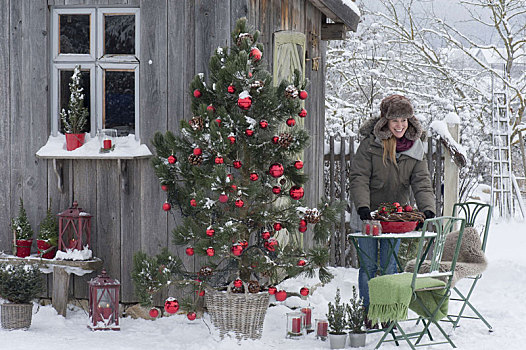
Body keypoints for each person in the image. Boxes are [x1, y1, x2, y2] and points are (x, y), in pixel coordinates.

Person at [349, 94, 436, 326]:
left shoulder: (415, 148)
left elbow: (422, 182)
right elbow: (359, 177)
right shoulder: (371, 144)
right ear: (385, 121)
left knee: (389, 266)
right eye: (395, 120)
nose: (400, 125)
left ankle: (386, 312)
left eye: (404, 120)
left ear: (410, 121)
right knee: (368, 266)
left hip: (395, 217)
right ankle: (369, 312)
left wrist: (427, 209)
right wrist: (363, 207)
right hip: (368, 214)